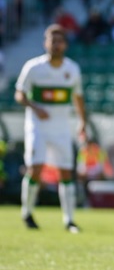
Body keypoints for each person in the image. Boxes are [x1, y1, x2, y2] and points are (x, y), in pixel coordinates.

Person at [14, 24, 86, 233]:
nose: (55, 44)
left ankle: (69, 220)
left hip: (62, 126)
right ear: (45, 43)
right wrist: (35, 107)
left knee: (66, 171)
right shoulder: (33, 68)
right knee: (36, 168)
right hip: (37, 126)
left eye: (59, 40)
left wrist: (83, 122)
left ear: (65, 44)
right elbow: (20, 94)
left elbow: (78, 97)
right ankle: (27, 213)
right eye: (52, 40)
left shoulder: (72, 69)